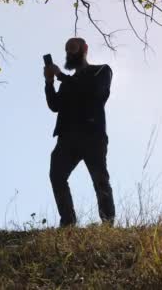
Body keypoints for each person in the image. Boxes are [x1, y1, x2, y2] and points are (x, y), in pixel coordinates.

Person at [43, 37, 115, 227]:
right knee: (56, 175)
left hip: (92, 135)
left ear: (85, 48)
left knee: (100, 179)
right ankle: (68, 222)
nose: (69, 53)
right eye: (67, 50)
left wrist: (60, 77)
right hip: (67, 138)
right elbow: (55, 105)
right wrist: (49, 82)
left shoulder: (101, 70)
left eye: (73, 48)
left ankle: (108, 224)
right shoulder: (68, 81)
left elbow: (94, 93)